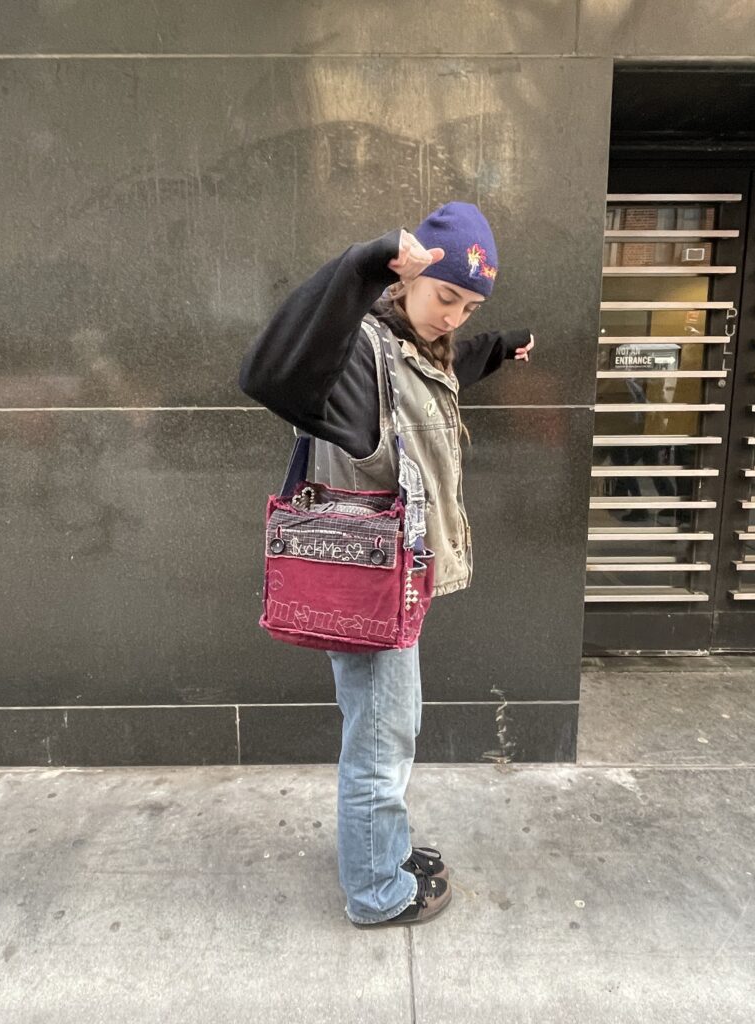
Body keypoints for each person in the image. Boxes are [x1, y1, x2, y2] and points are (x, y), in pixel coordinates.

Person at [239, 201, 535, 928]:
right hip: (368, 589)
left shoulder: (414, 347)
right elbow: (268, 374)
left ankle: (381, 850)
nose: (453, 318)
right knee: (380, 743)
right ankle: (377, 890)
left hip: (394, 581)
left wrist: (499, 345)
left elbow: (446, 365)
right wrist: (363, 262)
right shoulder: (357, 358)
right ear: (406, 281)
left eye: (468, 306)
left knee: (382, 730)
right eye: (446, 298)